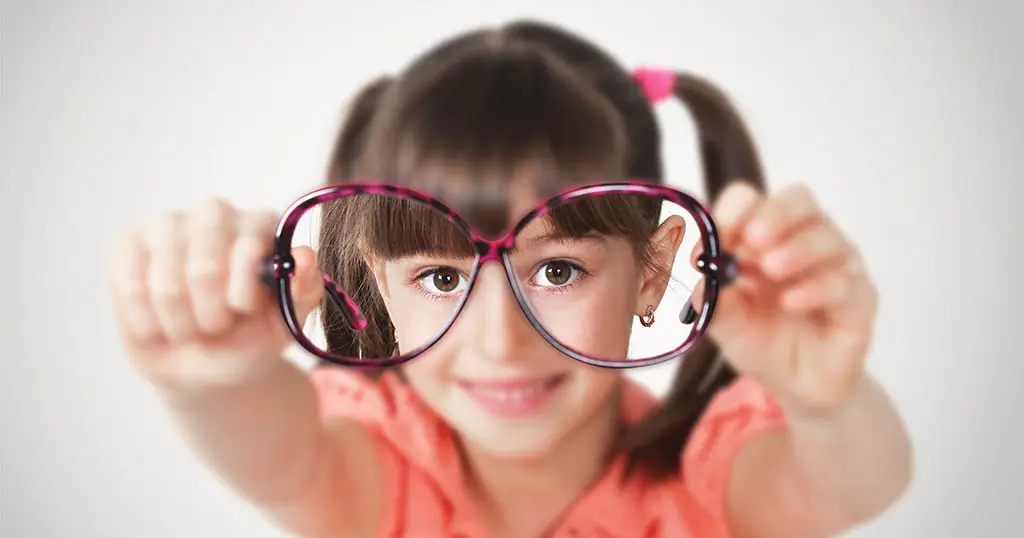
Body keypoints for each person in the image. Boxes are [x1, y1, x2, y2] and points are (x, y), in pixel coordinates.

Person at [109, 20, 912, 538]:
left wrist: (825, 397)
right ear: (373, 280)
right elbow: (274, 446)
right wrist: (211, 379)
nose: (500, 340)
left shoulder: (705, 483)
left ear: (653, 270)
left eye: (557, 270)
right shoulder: (375, 468)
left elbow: (858, 481)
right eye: (440, 279)